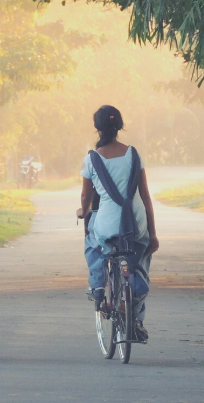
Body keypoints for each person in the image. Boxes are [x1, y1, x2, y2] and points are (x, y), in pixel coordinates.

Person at [75, 105, 159, 341]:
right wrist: (152, 234)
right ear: (120, 126)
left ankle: (98, 285)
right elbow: (145, 197)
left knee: (93, 241)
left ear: (97, 128)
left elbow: (86, 198)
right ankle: (135, 316)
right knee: (139, 260)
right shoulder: (133, 154)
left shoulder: (91, 159)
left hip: (108, 224)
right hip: (135, 224)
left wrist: (83, 211)